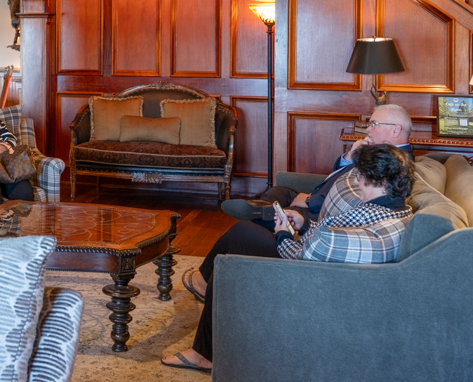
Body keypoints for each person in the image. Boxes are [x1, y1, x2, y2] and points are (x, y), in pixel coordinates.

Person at [161, 144, 415, 373]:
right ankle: (204, 286)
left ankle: (203, 352)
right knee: (241, 236)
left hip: (304, 279)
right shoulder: (398, 210)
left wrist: (284, 233)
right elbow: (326, 242)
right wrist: (304, 225)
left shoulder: (366, 217)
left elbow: (299, 255)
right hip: (323, 270)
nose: (358, 182)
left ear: (381, 182)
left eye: (362, 177)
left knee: (233, 252)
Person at [221, 104, 413, 231]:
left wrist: (310, 201)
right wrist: (350, 155)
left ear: (395, 130)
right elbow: (339, 172)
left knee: (252, 224)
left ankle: (261, 212)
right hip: (319, 196)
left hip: (321, 212)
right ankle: (260, 207)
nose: (368, 129)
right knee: (280, 191)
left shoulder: (395, 162)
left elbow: (352, 196)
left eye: (374, 124)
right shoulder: (378, 150)